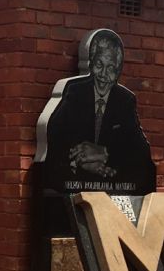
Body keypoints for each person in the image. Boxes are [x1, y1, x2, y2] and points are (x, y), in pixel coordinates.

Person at [38, 29, 154, 194]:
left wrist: (104, 153)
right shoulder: (73, 92)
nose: (104, 75)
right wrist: (83, 162)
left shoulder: (125, 100)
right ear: (90, 63)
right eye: (99, 65)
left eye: (111, 68)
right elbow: (56, 141)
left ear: (119, 70)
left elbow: (140, 152)